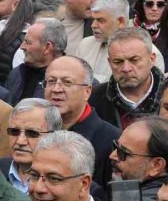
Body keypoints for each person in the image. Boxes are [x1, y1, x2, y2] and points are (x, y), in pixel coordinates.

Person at [43, 55, 119, 187]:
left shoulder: (111, 140)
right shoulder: (33, 130)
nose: (56, 89)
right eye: (51, 81)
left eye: (67, 82)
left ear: (87, 92)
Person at [0, 98, 64, 195]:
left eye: (32, 133)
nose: (20, 141)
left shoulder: (68, 182)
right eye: (14, 131)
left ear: (53, 137)